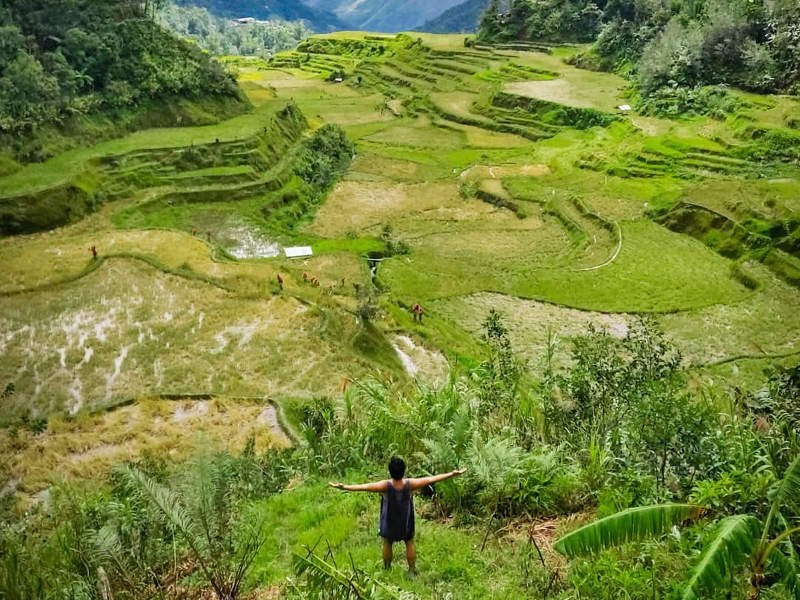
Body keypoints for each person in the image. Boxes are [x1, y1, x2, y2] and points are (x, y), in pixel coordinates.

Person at [329, 458, 466, 574]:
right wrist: (452, 474)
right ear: (404, 471)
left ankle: (387, 568)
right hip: (406, 522)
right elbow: (431, 479)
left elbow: (364, 486)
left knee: (387, 542)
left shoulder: (385, 485)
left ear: (390, 471)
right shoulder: (410, 484)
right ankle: (412, 570)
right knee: (409, 542)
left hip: (389, 522)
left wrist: (345, 487)